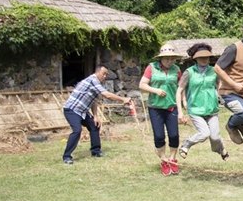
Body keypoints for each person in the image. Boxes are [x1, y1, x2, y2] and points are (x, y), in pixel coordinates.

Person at [62, 64, 131, 165]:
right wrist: (123, 99)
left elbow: (93, 101)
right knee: (77, 130)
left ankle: (96, 151)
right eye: (103, 74)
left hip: (83, 111)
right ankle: (67, 156)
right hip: (71, 110)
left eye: (106, 75)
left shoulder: (97, 83)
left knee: (94, 125)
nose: (105, 76)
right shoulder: (92, 80)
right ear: (97, 72)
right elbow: (106, 95)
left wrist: (95, 116)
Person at [176, 43, 229, 161]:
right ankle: (186, 144)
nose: (204, 59)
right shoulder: (189, 72)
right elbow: (179, 91)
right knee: (204, 133)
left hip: (212, 109)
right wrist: (180, 111)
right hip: (196, 110)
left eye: (206, 57)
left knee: (215, 137)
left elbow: (220, 86)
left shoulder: (214, 71)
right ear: (195, 58)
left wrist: (225, 99)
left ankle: (220, 149)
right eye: (201, 57)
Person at [139, 44, 183, 176]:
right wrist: (156, 90)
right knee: (159, 136)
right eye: (166, 59)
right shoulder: (151, 67)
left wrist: (184, 104)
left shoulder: (176, 69)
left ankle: (173, 159)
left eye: (172, 58)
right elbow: (142, 85)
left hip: (172, 106)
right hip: (155, 107)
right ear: (161, 59)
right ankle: (164, 160)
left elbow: (181, 88)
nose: (169, 61)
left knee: (174, 135)